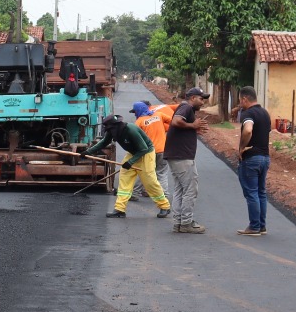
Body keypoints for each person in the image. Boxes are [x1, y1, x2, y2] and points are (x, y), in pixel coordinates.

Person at [82, 114, 169, 218]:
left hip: (146, 154)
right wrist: (88, 152)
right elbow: (103, 143)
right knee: (124, 178)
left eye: (110, 128)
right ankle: (119, 209)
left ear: (116, 126)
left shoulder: (130, 130)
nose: (109, 131)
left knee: (149, 181)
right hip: (133, 154)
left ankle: (164, 206)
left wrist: (131, 162)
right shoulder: (113, 131)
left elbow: (144, 149)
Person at [165, 87, 210, 233]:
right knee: (191, 190)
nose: (202, 102)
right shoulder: (186, 107)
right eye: (201, 98)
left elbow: (179, 126)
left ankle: (178, 222)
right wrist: (192, 125)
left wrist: (193, 128)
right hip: (182, 157)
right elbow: (176, 121)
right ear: (192, 98)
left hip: (175, 155)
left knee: (180, 190)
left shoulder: (185, 108)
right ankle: (186, 223)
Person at [235, 87, 272, 236]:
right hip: (265, 157)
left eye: (240, 100)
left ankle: (254, 227)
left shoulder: (248, 113)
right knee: (261, 192)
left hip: (251, 158)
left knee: (251, 193)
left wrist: (242, 147)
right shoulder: (265, 114)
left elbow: (248, 129)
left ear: (244, 99)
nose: (240, 103)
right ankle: (261, 226)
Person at [128, 100, 172, 218]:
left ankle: (135, 193)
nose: (134, 114)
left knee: (142, 171)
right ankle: (164, 195)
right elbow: (173, 122)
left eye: (135, 112)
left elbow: (134, 137)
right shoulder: (159, 115)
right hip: (163, 149)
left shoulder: (139, 122)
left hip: (148, 152)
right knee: (161, 173)